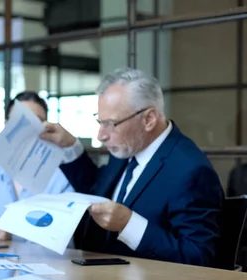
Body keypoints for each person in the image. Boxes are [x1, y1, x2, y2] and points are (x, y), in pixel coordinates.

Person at [40, 67, 223, 267]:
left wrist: (130, 225)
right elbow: (97, 191)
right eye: (100, 122)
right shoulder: (128, 147)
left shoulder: (191, 170)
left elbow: (199, 256)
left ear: (149, 119)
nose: (101, 135)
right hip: (96, 279)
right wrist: (69, 147)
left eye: (111, 124)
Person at [0, 91, 74, 241]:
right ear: (6, 124)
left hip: (48, 261)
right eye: (22, 121)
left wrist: (14, 233)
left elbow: (61, 232)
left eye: (38, 122)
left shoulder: (63, 172)